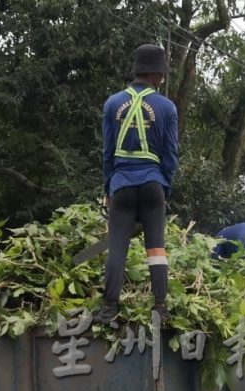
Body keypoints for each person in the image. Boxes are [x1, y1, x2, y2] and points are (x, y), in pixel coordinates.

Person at [96, 44, 179, 324]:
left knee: (117, 248)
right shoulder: (166, 107)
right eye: (162, 73)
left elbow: (108, 153)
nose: (162, 78)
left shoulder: (112, 104)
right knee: (156, 249)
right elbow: (170, 155)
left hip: (121, 184)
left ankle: (109, 309)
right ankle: (160, 307)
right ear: (155, 74)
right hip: (153, 183)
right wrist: (163, 188)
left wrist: (109, 189)